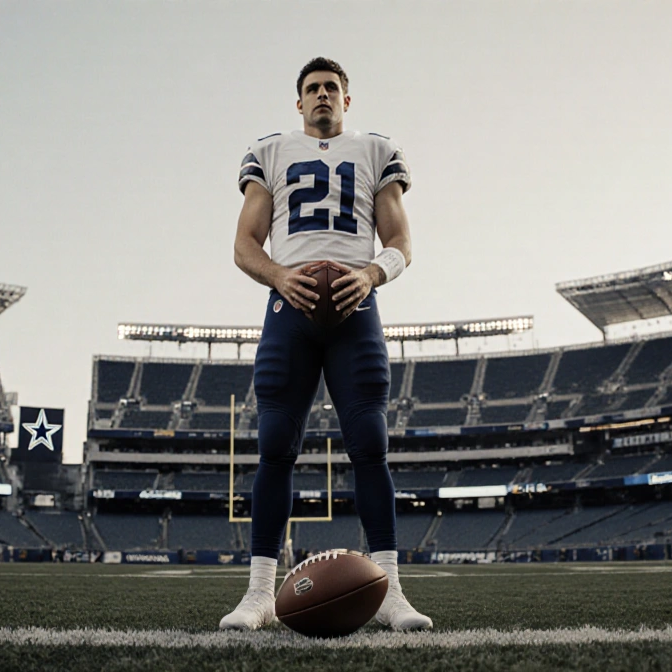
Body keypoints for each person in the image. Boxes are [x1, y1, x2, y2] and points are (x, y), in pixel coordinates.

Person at [220, 57, 430, 632]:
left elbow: (401, 240)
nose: (321, 96)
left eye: (331, 88)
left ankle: (390, 590)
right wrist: (279, 276)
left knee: (369, 442)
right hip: (290, 309)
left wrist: (371, 275)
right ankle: (260, 591)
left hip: (355, 309)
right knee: (274, 447)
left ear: (347, 99)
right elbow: (244, 244)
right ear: (298, 102)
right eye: (311, 89)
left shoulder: (376, 149)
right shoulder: (270, 150)